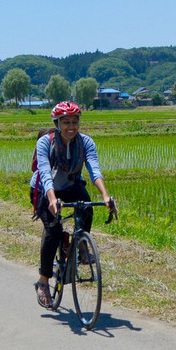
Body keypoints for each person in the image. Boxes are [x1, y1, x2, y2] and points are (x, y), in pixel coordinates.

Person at [31, 101, 116, 309]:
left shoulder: (86, 142)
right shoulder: (45, 143)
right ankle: (43, 282)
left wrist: (105, 195)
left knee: (87, 207)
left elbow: (94, 170)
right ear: (57, 123)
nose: (71, 126)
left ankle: (80, 245)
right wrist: (52, 198)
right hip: (45, 189)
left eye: (75, 122)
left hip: (70, 184)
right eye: (66, 122)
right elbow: (44, 172)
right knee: (53, 231)